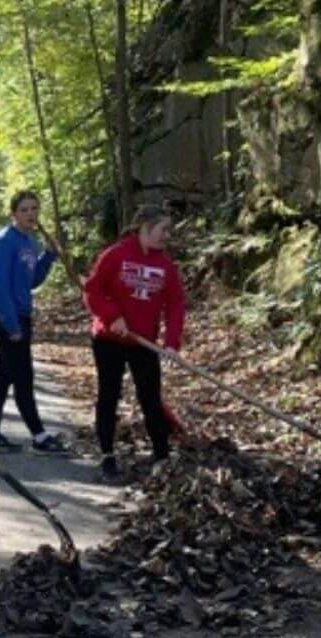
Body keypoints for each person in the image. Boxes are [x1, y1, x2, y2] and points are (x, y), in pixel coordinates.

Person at [82, 205, 185, 483]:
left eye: (168, 230)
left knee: (150, 396)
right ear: (145, 228)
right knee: (109, 393)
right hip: (109, 339)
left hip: (143, 342)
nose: (167, 235)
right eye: (163, 229)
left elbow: (175, 306)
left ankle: (161, 456)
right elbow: (92, 291)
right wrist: (112, 317)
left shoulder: (165, 266)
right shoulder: (115, 255)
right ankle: (107, 456)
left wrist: (172, 342)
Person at [0, 191, 68, 453]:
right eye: (25, 210)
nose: (31, 214)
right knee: (23, 376)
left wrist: (49, 256)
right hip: (4, 317)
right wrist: (12, 326)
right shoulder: (4, 241)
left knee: (5, 375)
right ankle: (39, 436)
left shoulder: (29, 240)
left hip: (21, 315)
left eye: (34, 209)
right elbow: (1, 287)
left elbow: (31, 281)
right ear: (13, 213)